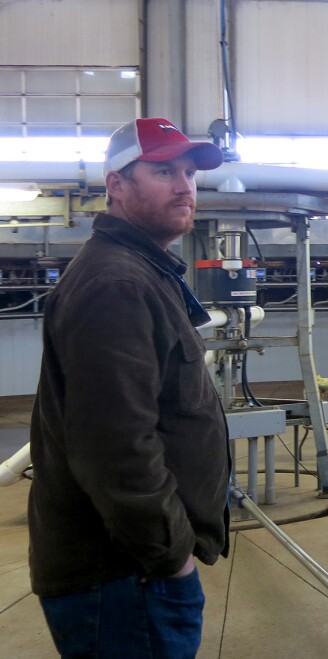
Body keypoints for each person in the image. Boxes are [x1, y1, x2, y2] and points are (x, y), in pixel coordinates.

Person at [28, 117, 231, 658]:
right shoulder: (118, 284)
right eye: (163, 170)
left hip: (131, 570)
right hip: (125, 574)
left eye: (188, 172)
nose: (184, 185)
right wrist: (171, 556)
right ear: (116, 184)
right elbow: (117, 446)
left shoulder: (141, 270)